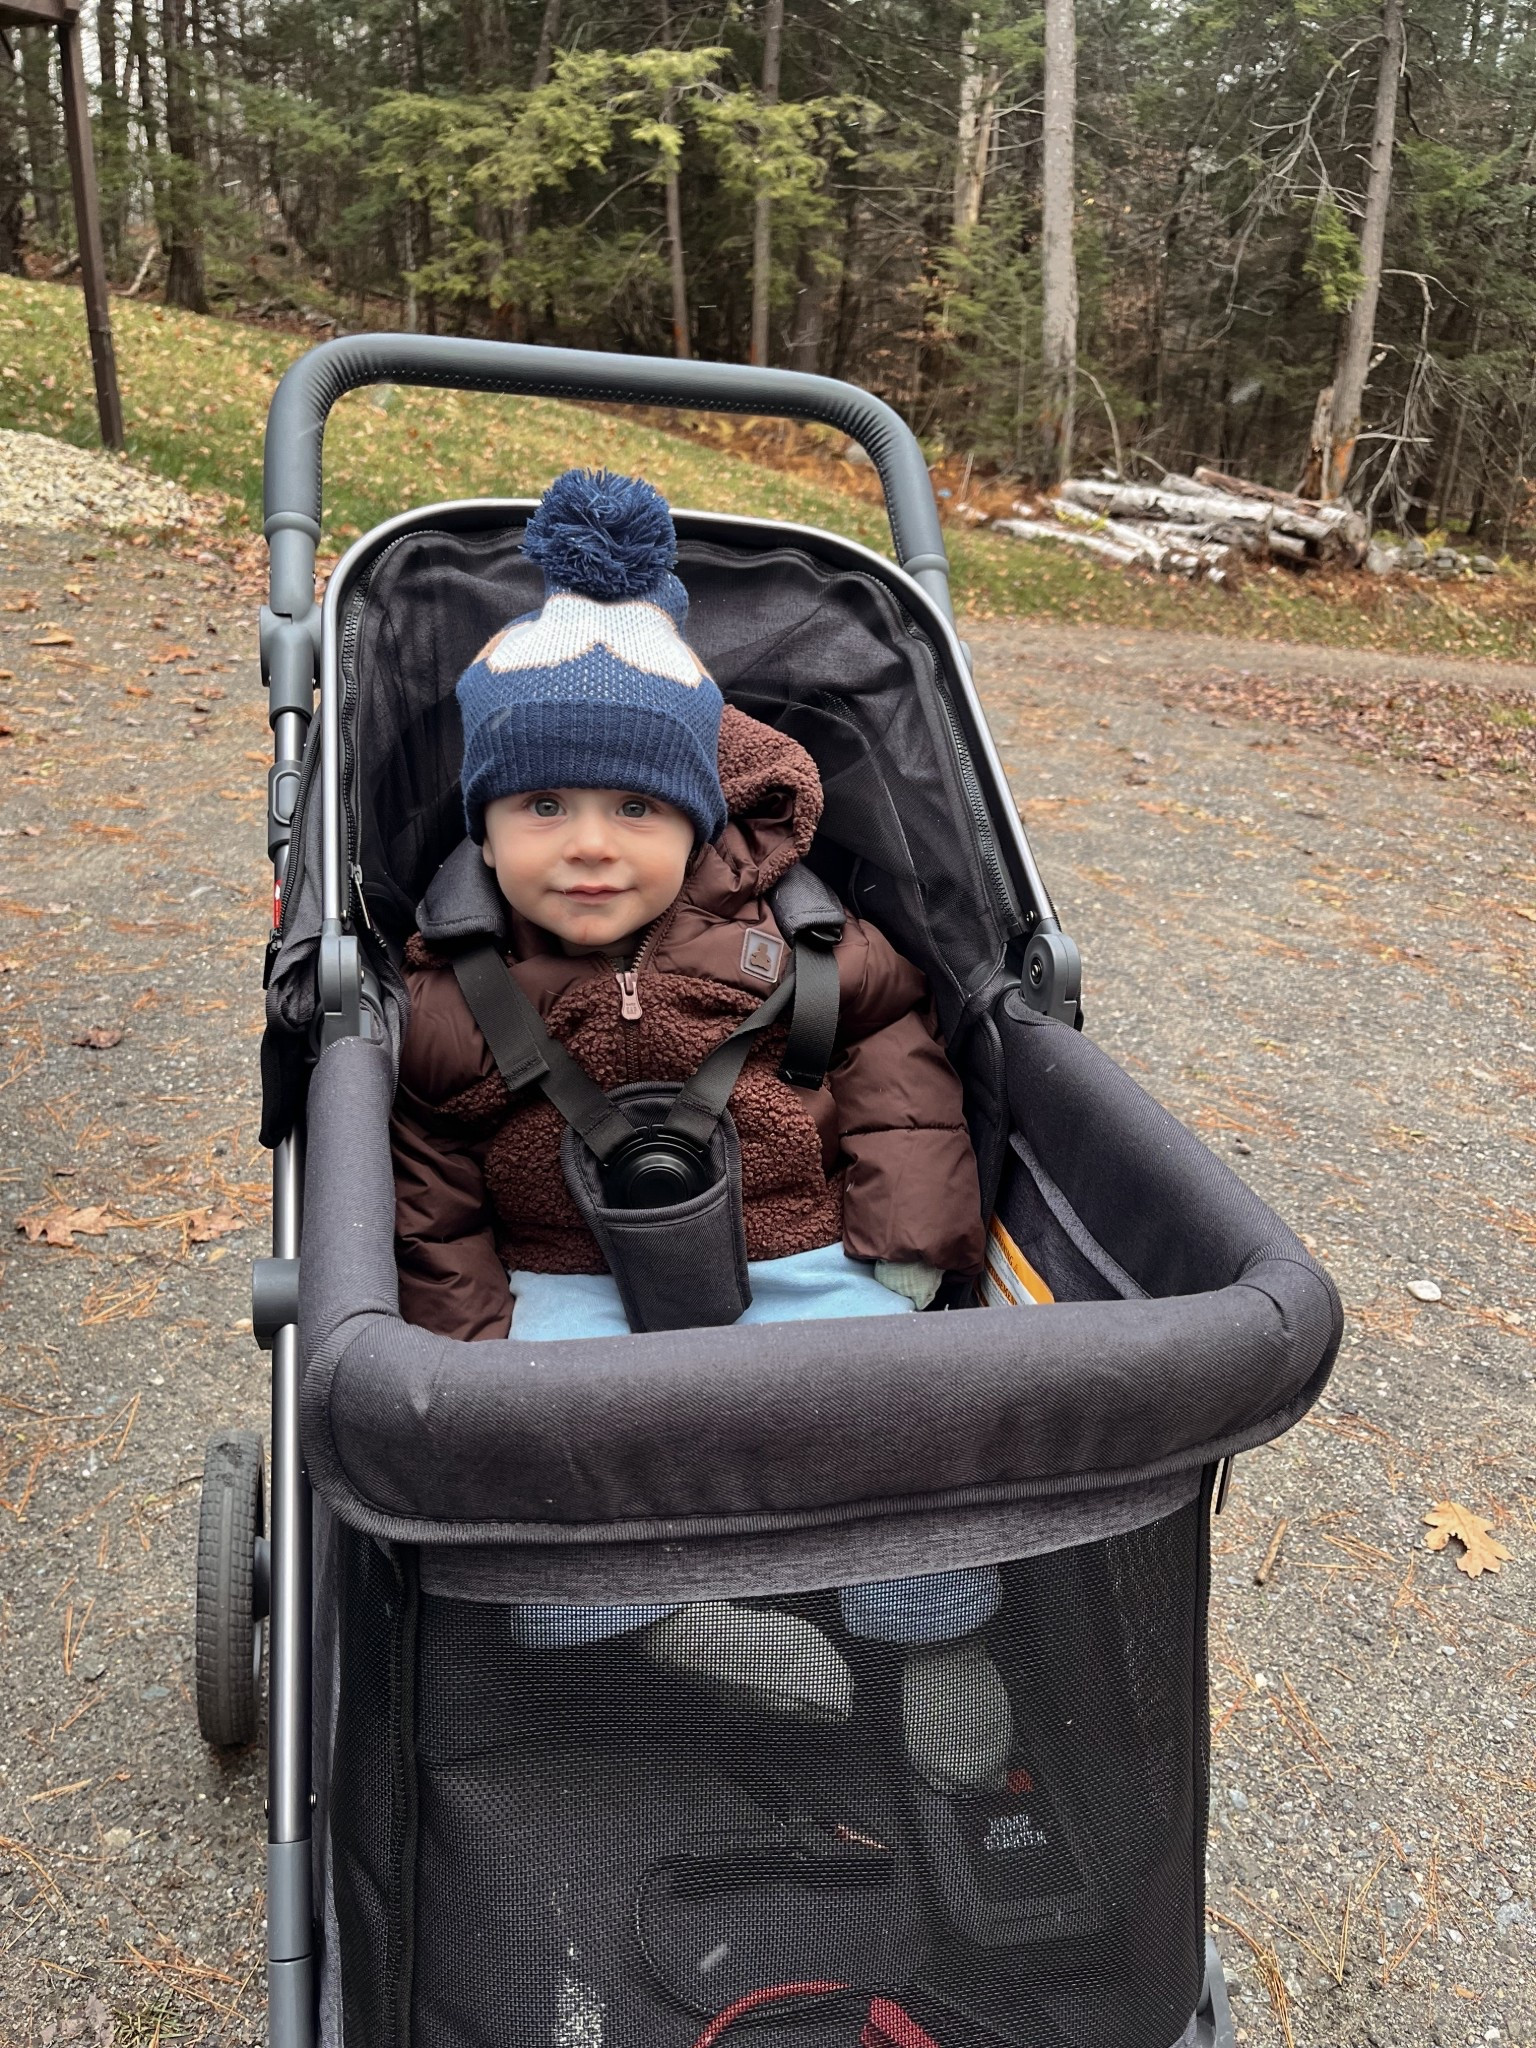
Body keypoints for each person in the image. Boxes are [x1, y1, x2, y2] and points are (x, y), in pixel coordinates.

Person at [390, 468, 1010, 1793]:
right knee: (540, 1480)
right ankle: (671, 1623)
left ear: (700, 813)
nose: (591, 847)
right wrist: (471, 1339)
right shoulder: (449, 982)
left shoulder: (784, 934)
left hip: (802, 1255)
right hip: (568, 1288)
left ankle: (931, 1631)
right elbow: (426, 1173)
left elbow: (899, 1048)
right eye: (541, 808)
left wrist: (903, 1249)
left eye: (637, 809)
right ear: (486, 827)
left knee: (914, 1424)